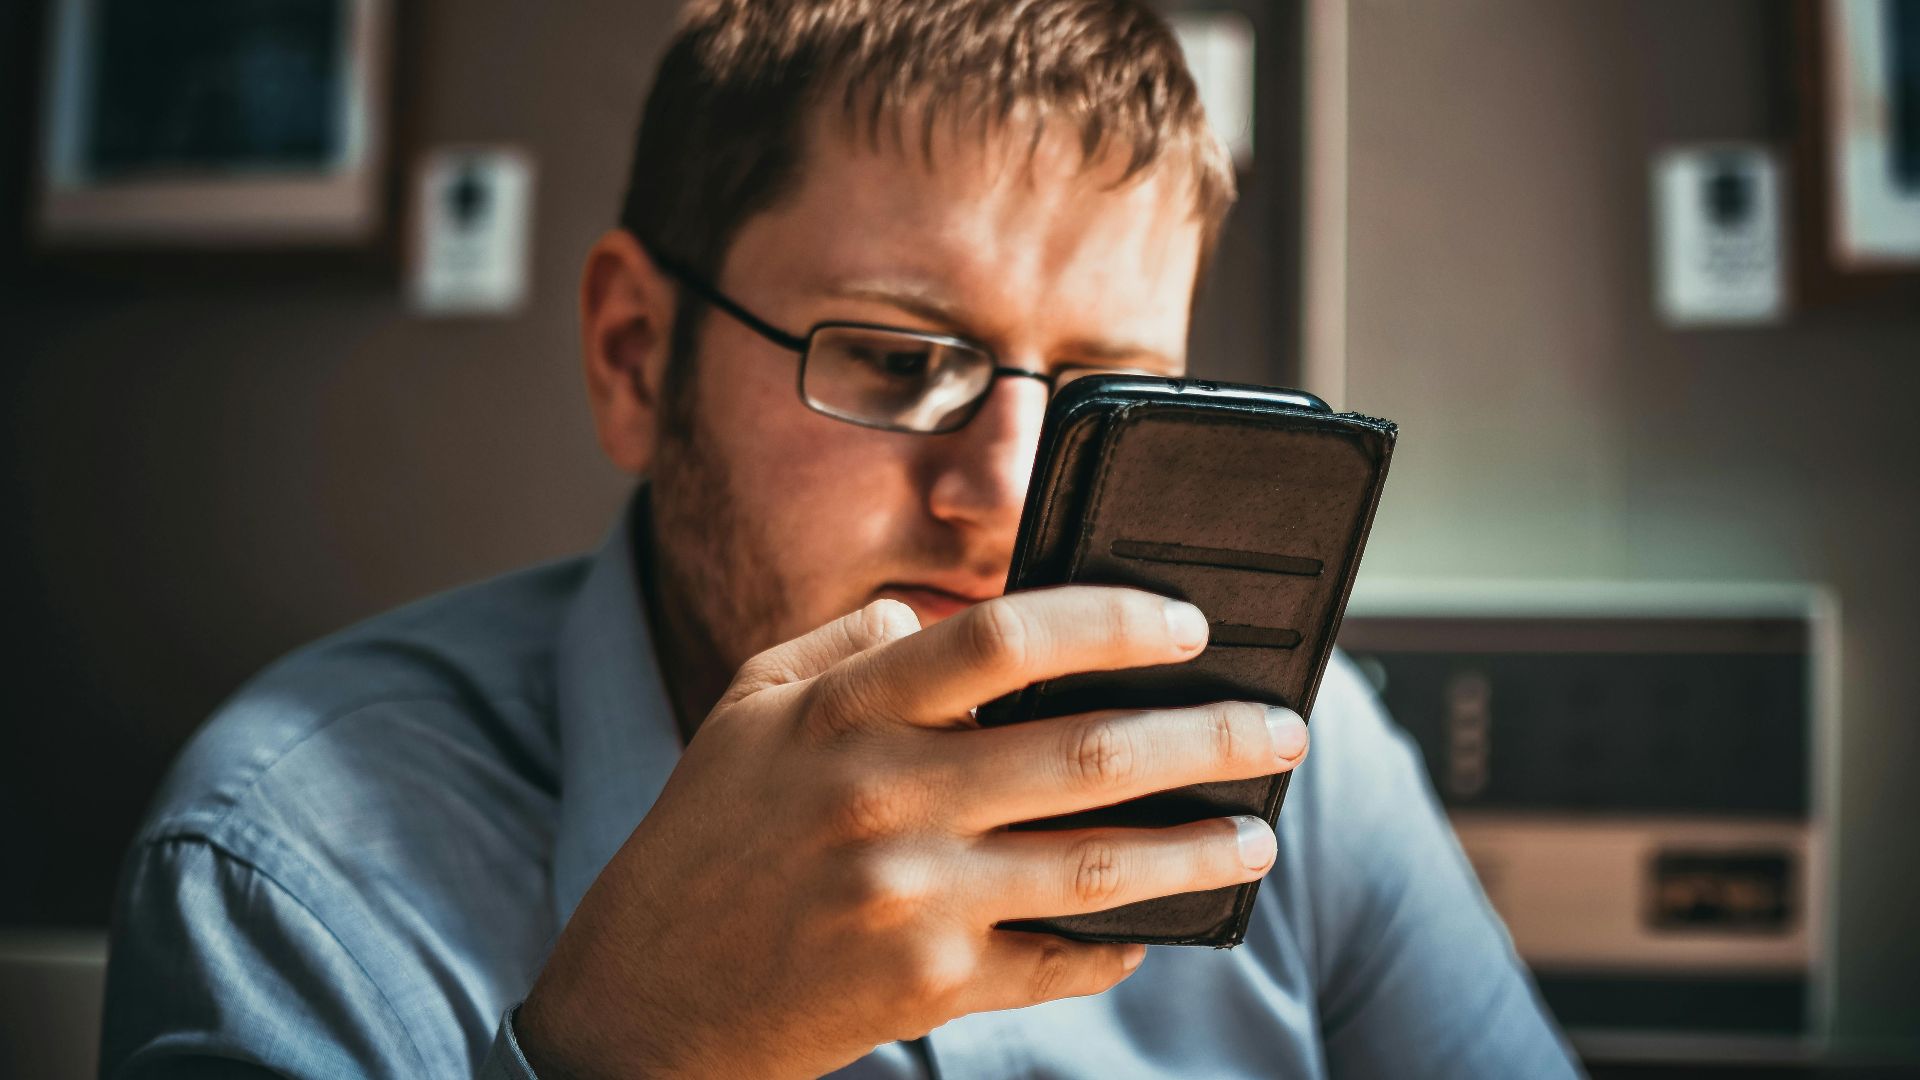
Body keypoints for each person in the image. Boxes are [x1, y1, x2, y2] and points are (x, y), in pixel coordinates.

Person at [99, 1, 1579, 1076]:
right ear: (633, 355)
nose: (1001, 488)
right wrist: (630, 1059)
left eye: (1103, 397)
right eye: (893, 358)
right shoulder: (286, 871)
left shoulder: (1286, 781)